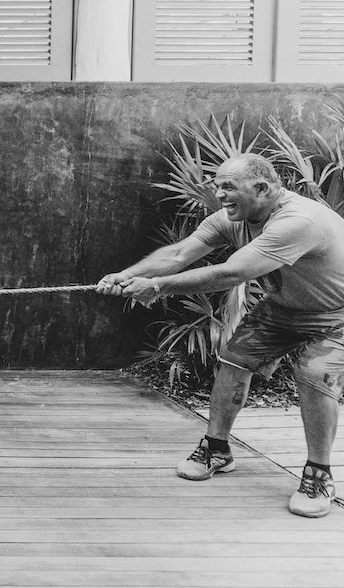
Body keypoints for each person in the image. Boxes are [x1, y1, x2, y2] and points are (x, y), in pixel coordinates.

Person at [97, 153, 344, 518]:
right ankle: (217, 449)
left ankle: (318, 475)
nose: (219, 194)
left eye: (228, 186)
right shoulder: (234, 217)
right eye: (217, 185)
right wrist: (127, 275)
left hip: (336, 315)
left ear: (262, 188)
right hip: (283, 309)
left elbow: (233, 273)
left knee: (313, 377)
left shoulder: (298, 221)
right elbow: (181, 253)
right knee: (234, 358)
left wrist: (156, 286)